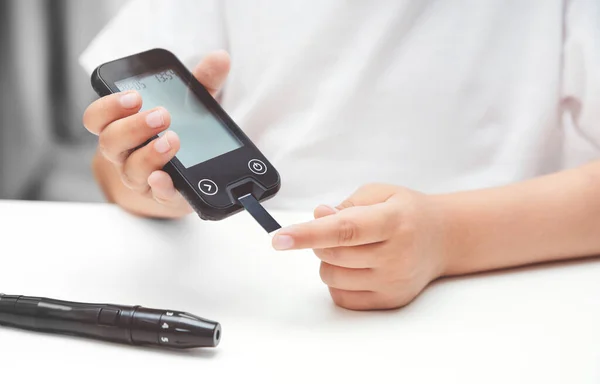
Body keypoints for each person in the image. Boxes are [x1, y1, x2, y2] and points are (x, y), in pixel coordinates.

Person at [80, 0, 600, 311]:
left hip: (508, 295)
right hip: (242, 298)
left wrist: (451, 235)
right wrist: (163, 187)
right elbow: (110, 170)